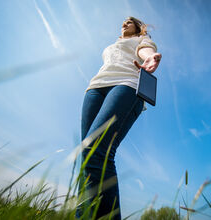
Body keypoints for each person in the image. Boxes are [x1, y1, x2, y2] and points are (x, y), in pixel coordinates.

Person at [78, 16, 162, 219]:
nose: (124, 23)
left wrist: (149, 57)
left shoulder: (142, 41)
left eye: (129, 22)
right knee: (86, 157)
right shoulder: (111, 46)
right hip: (95, 89)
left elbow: (146, 51)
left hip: (126, 84)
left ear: (138, 27)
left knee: (97, 150)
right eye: (123, 22)